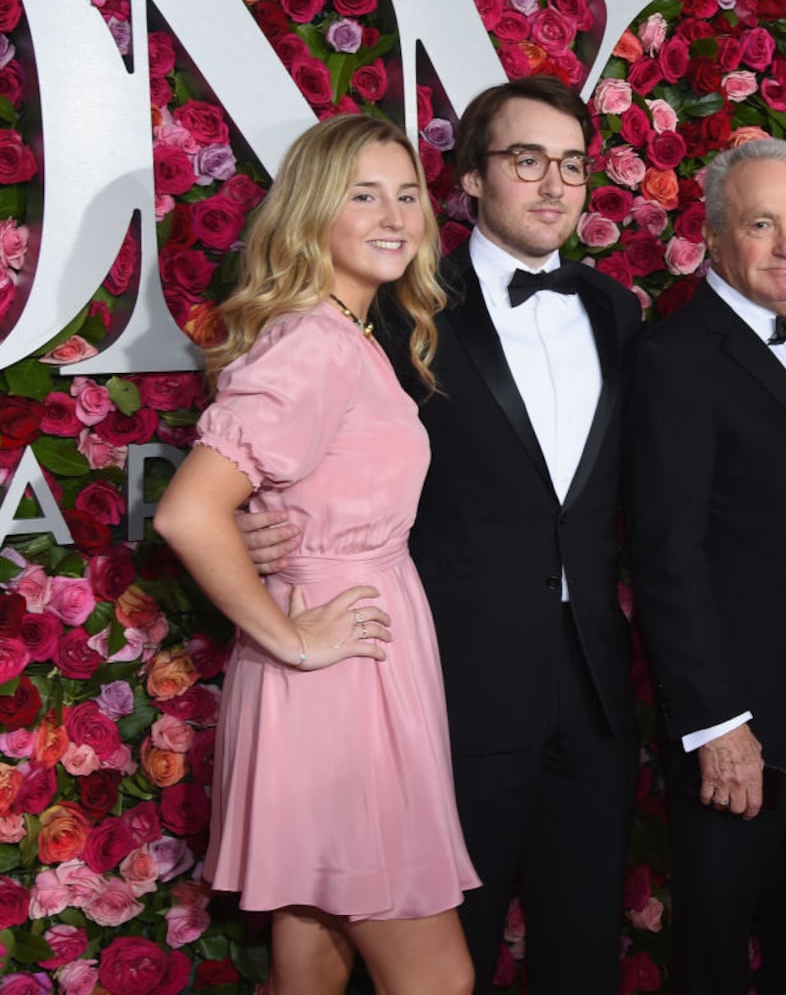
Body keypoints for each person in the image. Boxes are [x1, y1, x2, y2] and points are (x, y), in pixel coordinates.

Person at [239, 77, 641, 994]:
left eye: (573, 165)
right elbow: (275, 437)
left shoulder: (619, 311)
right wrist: (250, 522)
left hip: (593, 687)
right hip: (442, 686)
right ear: (468, 179)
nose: (553, 185)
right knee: (425, 958)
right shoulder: (389, 297)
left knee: (582, 948)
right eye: (526, 160)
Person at [153, 114, 478, 995]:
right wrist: (294, 638)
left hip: (349, 669)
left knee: (311, 962)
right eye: (363, 194)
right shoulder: (316, 346)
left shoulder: (348, 335)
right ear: (312, 214)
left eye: (407, 194)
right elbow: (190, 513)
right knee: (436, 979)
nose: (394, 215)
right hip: (338, 683)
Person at [623, 137, 786, 994]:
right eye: (761, 224)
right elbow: (666, 554)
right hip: (740, 723)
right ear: (714, 237)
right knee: (718, 951)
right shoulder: (676, 359)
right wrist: (717, 722)